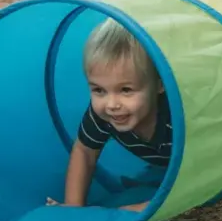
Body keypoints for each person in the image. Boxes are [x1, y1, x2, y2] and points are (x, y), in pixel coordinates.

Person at [62, 18, 172, 211]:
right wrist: (73, 206)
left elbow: (205, 167)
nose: (111, 104)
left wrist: (154, 205)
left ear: (160, 84)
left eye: (126, 90)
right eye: (99, 90)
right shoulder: (101, 116)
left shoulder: (175, 119)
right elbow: (85, 152)